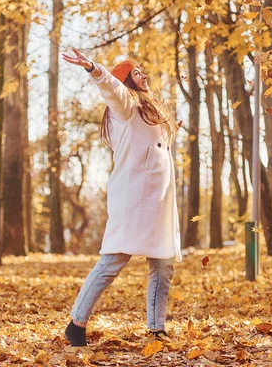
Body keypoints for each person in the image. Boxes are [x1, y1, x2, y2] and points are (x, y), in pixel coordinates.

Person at [61, 49, 182, 347]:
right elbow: (111, 89)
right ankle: (76, 324)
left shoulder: (149, 109)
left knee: (164, 264)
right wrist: (93, 68)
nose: (143, 75)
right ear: (126, 81)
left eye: (142, 70)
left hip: (160, 200)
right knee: (114, 259)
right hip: (135, 197)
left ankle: (157, 328)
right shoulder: (125, 106)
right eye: (135, 72)